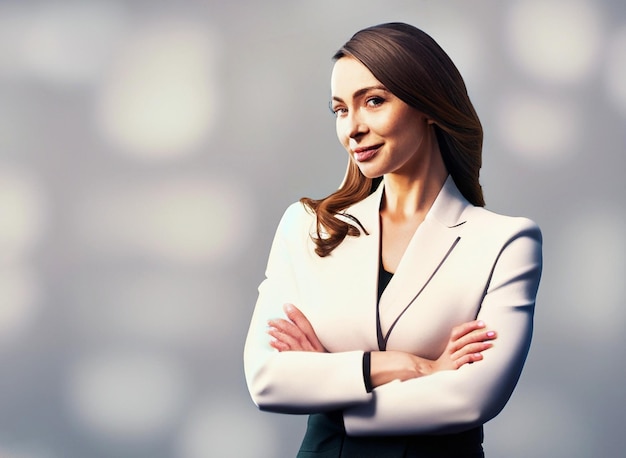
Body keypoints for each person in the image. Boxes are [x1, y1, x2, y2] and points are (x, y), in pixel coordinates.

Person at [244, 22, 542, 458]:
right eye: (340, 110)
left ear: (429, 106)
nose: (352, 128)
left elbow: (472, 398)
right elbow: (267, 380)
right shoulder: (309, 226)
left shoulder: (505, 242)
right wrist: (411, 366)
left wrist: (331, 392)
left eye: (374, 102)